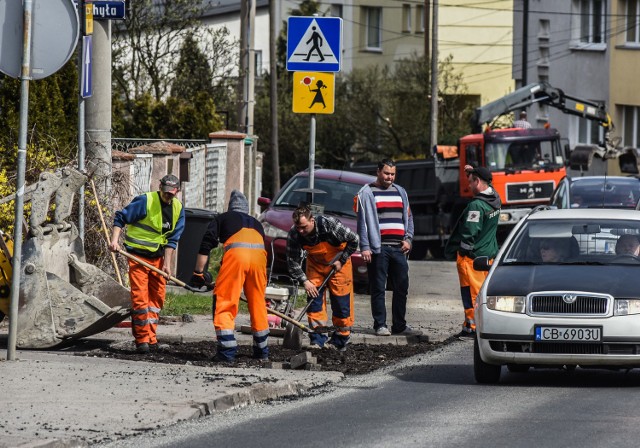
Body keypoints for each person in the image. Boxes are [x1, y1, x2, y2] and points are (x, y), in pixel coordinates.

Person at [109, 174, 185, 354]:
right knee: (141, 299)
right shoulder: (146, 201)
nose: (168, 197)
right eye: (165, 193)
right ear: (160, 188)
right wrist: (114, 241)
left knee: (156, 300)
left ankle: (151, 338)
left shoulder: (178, 209)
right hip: (138, 258)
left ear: (177, 192)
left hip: (158, 259)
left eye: (171, 194)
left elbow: (172, 240)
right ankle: (142, 340)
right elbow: (120, 218)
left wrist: (167, 264)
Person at [191, 190, 270, 362]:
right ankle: (262, 351)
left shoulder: (223, 218)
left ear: (231, 208)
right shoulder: (256, 223)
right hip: (259, 260)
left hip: (237, 258)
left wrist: (198, 273)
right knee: (257, 302)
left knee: (226, 300)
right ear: (246, 209)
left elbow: (207, 243)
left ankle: (227, 351)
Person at [355, 158, 422, 337]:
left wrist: (408, 239)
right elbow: (363, 223)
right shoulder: (367, 193)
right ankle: (380, 325)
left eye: (392, 174)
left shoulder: (401, 192)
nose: (389, 177)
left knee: (402, 286)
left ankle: (399, 325)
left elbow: (409, 218)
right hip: (379, 249)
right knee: (378, 287)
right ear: (378, 171)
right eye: (386, 173)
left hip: (399, 248)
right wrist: (365, 247)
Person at [286, 204, 359, 350]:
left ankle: (340, 339)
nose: (301, 231)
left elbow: (354, 240)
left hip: (338, 264)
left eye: (303, 227)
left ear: (312, 220)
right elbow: (292, 260)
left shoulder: (328, 224)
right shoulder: (294, 234)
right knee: (314, 301)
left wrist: (342, 260)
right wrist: (305, 281)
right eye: (297, 227)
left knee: (341, 301)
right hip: (316, 265)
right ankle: (318, 339)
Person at [445, 165, 501, 339]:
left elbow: (469, 233)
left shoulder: (476, 206)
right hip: (489, 256)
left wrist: (463, 252)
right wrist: (472, 170)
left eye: (470, 182)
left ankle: (472, 327)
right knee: (484, 293)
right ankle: (478, 324)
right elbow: (485, 179)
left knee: (471, 294)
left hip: (472, 259)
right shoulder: (495, 198)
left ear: (477, 181)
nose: (469, 186)